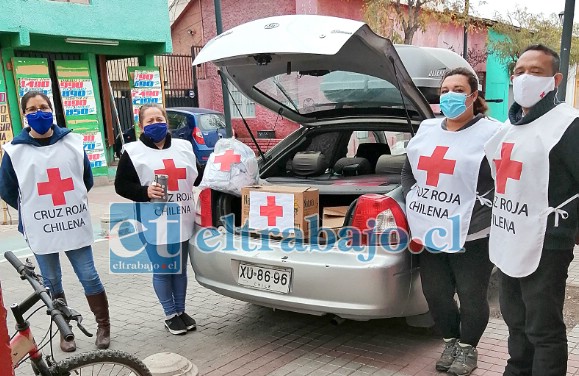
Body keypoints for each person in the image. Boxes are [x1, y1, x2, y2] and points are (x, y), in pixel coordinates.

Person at [484, 44, 579, 376]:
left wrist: (568, 230)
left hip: (546, 244)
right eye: (519, 72)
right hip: (510, 238)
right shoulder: (508, 129)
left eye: (535, 72)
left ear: (555, 79)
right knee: (516, 322)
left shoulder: (568, 125)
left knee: (543, 330)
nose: (524, 78)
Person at [402, 68, 499, 375]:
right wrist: (414, 201)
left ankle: (469, 349)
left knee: (471, 296)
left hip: (472, 234)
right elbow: (409, 173)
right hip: (431, 231)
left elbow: (503, 183)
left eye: (458, 89)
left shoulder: (493, 133)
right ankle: (450, 341)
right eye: (445, 90)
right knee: (436, 295)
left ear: (474, 96)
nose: (449, 95)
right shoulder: (427, 129)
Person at [0, 91, 110, 352]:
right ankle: (65, 330)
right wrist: (37, 209)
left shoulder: (72, 142)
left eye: (44, 107)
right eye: (32, 109)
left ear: (53, 110)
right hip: (42, 226)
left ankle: (103, 326)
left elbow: (86, 179)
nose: (39, 112)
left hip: (72, 222)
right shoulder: (14, 151)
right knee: (51, 281)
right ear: (25, 115)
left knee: (89, 275)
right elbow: (7, 188)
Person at [115, 103, 198, 335]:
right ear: (141, 126)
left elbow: (197, 175)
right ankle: (170, 314)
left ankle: (181, 311)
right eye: (149, 121)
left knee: (180, 270)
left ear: (166, 121)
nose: (155, 124)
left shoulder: (183, 147)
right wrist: (145, 192)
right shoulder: (132, 151)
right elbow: (121, 186)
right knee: (163, 269)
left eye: (159, 119)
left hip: (182, 216)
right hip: (153, 220)